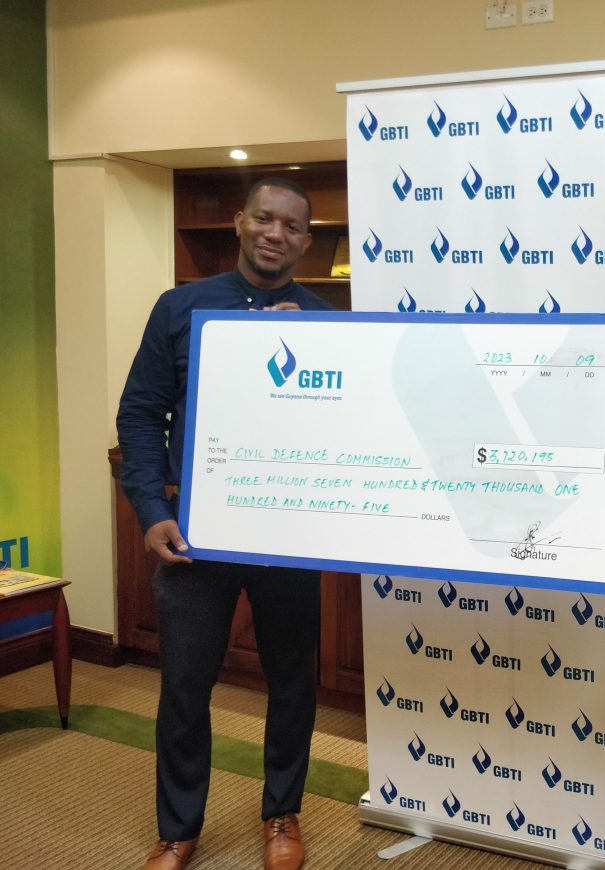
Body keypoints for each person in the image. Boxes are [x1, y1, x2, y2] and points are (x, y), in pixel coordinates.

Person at [118, 177, 334, 870]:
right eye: (264, 219)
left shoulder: (326, 322)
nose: (276, 233)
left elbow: (349, 432)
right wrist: (152, 511)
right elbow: (140, 416)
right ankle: (177, 829)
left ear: (306, 240)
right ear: (241, 223)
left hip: (287, 538)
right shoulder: (180, 308)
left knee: (292, 681)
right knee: (184, 685)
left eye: (291, 226)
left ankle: (282, 813)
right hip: (196, 538)